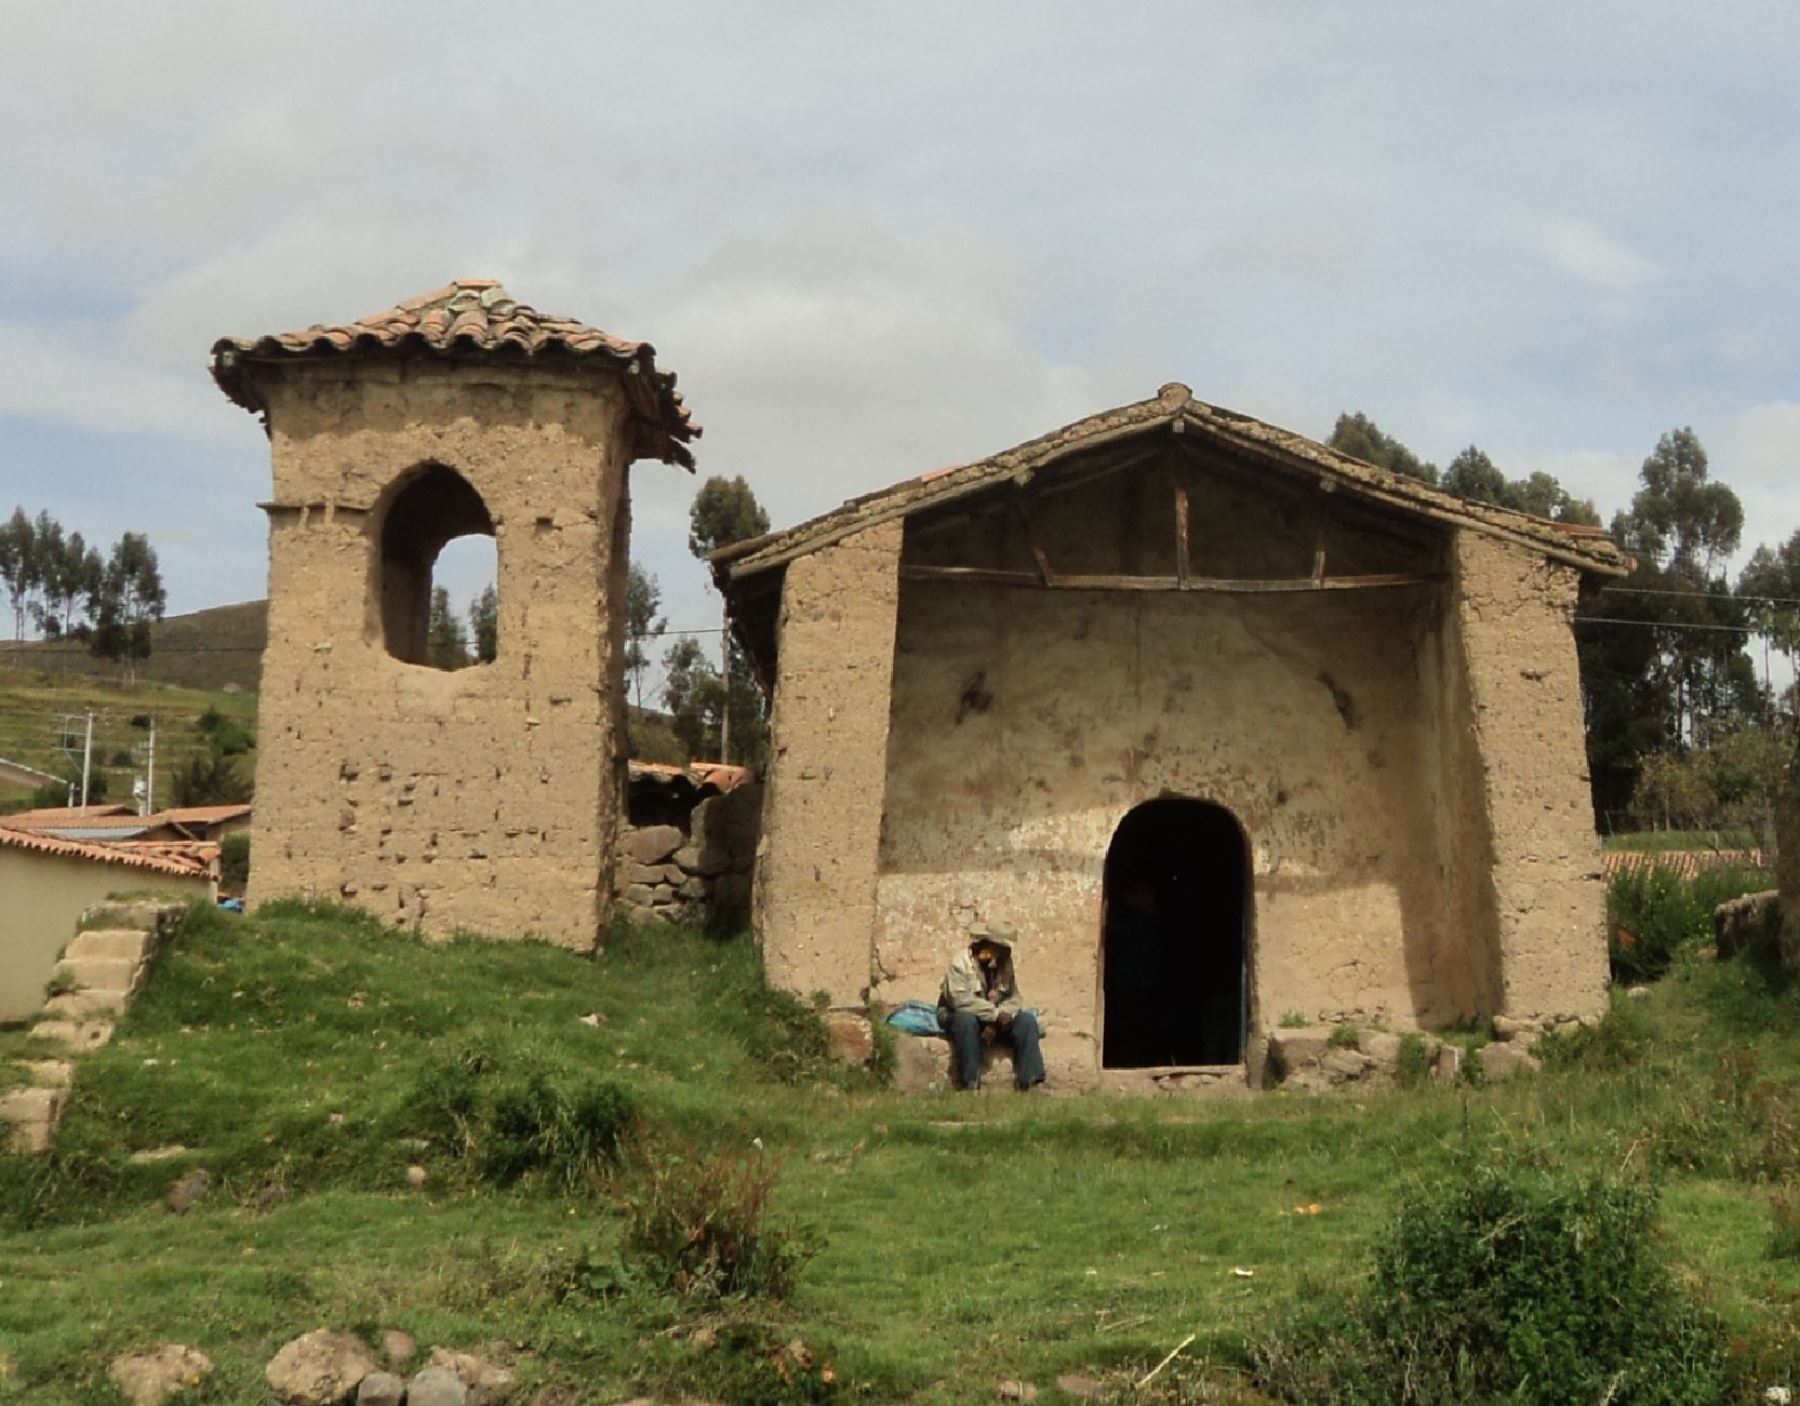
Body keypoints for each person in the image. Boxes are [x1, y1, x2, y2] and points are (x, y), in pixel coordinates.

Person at [937, 926, 1045, 1091]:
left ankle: (1030, 1081)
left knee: (1027, 1021)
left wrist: (998, 1021)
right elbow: (960, 1001)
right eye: (1000, 948)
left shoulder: (1003, 964)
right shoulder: (961, 963)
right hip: (959, 1015)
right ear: (987, 945)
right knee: (966, 1021)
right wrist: (994, 1014)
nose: (1005, 952)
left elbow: (1014, 998)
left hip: (995, 1019)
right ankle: (970, 1083)